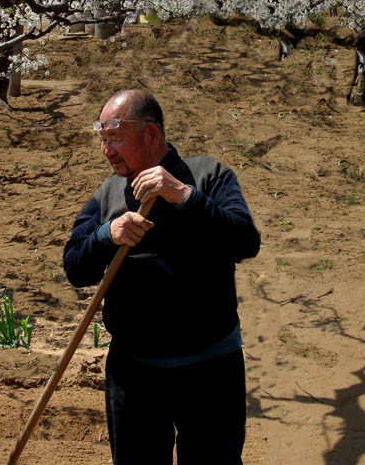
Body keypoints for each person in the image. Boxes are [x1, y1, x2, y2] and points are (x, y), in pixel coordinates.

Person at [63, 88, 261, 465]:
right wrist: (107, 235)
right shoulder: (108, 195)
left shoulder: (207, 177)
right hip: (134, 374)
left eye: (115, 137)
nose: (106, 150)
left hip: (210, 371)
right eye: (102, 139)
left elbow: (245, 241)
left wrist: (183, 195)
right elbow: (75, 267)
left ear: (152, 134)